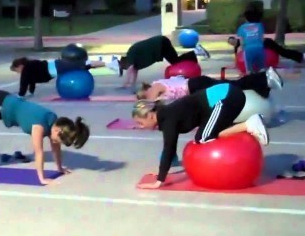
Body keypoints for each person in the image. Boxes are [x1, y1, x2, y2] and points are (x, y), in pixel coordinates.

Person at [131, 83, 269, 190]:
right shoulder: (165, 116)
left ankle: (250, 124)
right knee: (208, 133)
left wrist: (159, 181)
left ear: (150, 115)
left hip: (225, 97)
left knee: (203, 137)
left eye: (140, 123)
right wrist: (164, 170)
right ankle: (250, 124)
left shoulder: (168, 119)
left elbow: (169, 147)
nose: (140, 127)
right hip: (227, 95)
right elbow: (170, 146)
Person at [136, 67, 284, 101]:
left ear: (146, 90)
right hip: (196, 85)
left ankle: (264, 77)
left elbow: (151, 102)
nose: (145, 98)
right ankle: (264, 86)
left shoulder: (155, 87)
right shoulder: (158, 85)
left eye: (142, 96)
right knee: (233, 85)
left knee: (234, 86)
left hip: (195, 85)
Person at [118, 35, 210, 88]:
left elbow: (130, 69)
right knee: (176, 60)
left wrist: (126, 83)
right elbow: (134, 70)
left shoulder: (130, 55)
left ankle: (197, 51)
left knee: (175, 62)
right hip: (161, 42)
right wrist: (132, 83)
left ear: (123, 62)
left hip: (161, 44)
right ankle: (196, 52)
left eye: (123, 68)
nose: (125, 69)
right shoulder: (133, 59)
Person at [10, 56, 120, 97]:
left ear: (20, 66)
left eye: (16, 70)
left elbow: (24, 82)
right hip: (58, 66)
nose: (18, 73)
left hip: (58, 66)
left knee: (84, 64)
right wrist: (31, 92)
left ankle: (110, 64)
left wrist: (20, 95)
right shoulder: (30, 68)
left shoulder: (27, 69)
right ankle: (110, 65)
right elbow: (30, 82)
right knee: (84, 66)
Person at [227, 36, 305, 65]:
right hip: (264, 45)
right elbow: (237, 57)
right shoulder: (237, 46)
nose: (232, 43)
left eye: (232, 41)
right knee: (283, 52)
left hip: (266, 43)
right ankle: (300, 57)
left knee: (283, 52)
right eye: (230, 43)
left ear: (234, 38)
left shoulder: (241, 40)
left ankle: (301, 56)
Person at [235, 6, 266, 73]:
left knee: (249, 70)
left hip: (248, 50)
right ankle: (262, 80)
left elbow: (242, 42)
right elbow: (262, 39)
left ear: (246, 18)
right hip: (259, 48)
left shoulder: (242, 27)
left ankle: (251, 80)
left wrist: (241, 51)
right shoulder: (259, 25)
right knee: (262, 69)